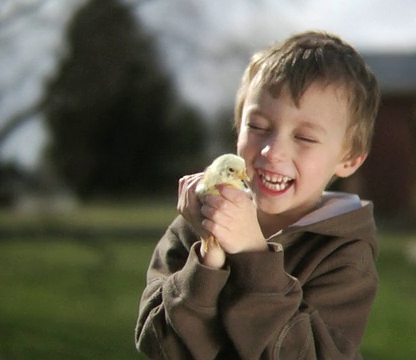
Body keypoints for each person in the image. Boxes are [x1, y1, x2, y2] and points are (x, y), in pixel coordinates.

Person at [135, 30, 381, 360]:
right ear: (238, 127)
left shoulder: (345, 256)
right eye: (259, 126)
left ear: (349, 159)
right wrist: (209, 256)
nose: (273, 150)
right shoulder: (196, 222)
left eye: (305, 138)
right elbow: (159, 345)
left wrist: (253, 255)